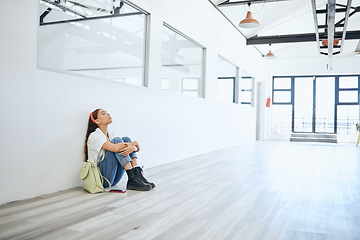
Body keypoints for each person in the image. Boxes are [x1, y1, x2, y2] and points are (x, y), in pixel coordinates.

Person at [84, 108, 155, 191]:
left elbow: (131, 148)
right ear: (97, 121)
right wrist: (134, 145)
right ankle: (132, 177)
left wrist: (133, 147)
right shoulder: (94, 136)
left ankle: (137, 175)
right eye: (104, 113)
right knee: (117, 141)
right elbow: (116, 148)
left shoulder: (111, 134)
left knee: (126, 139)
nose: (108, 114)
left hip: (114, 179)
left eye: (107, 112)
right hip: (101, 180)